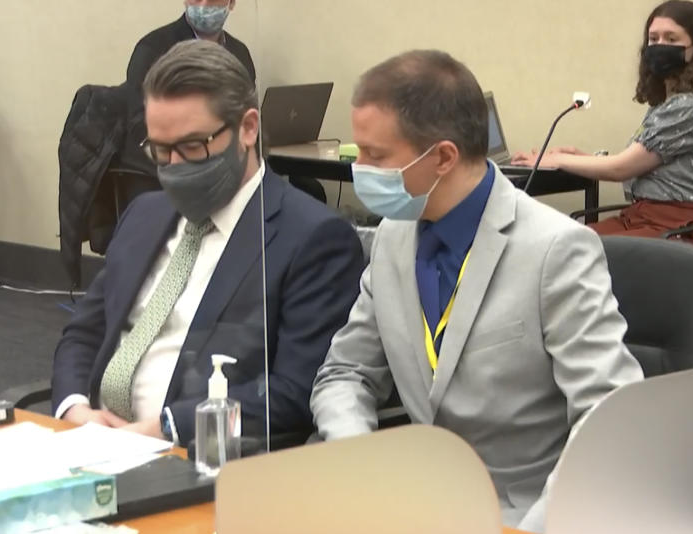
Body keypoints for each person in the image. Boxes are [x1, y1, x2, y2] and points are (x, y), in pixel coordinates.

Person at [309, 50, 643, 532]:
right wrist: (360, 462)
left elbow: (610, 421)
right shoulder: (392, 236)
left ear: (443, 156)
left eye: (376, 156)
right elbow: (345, 373)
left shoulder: (556, 249)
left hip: (522, 513)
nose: (359, 169)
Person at [52, 41, 364, 447]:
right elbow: (84, 332)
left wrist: (166, 428)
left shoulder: (313, 239)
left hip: (197, 456)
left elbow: (293, 392)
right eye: (161, 151)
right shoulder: (144, 214)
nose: (176, 166)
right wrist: (75, 408)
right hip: (93, 444)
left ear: (248, 128)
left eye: (193, 146)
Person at [513, 0, 693, 250]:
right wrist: (580, 157)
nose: (660, 46)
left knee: (568, 250)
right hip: (644, 217)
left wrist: (556, 161)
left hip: (683, 227)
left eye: (671, 39)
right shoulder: (668, 103)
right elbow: (640, 163)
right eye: (654, 38)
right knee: (557, 242)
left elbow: (621, 169)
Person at [126, 0, 255, 88]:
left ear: (231, 3)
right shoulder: (152, 48)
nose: (204, 5)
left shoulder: (240, 54)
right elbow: (138, 120)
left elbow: (249, 112)